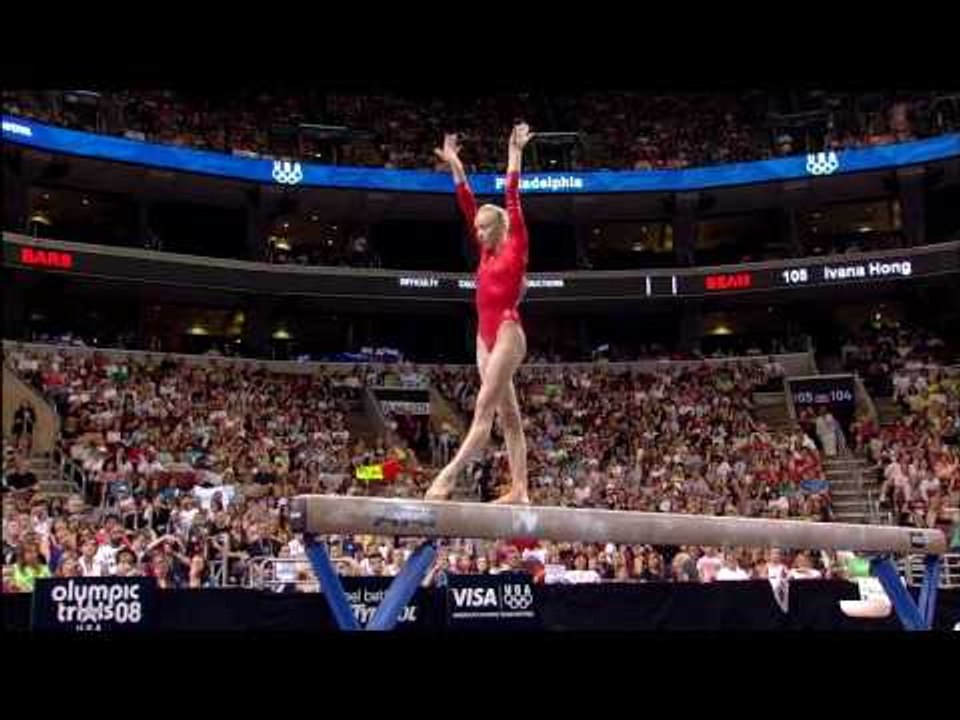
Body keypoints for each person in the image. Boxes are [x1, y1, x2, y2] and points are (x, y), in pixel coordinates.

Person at [426, 123, 534, 504]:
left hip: (506, 331)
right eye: (476, 229)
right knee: (510, 418)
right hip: (484, 337)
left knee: (483, 412)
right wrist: (455, 161)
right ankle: (520, 490)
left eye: (485, 228)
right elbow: (465, 199)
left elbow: (512, 192)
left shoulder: (515, 244)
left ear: (501, 227)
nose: (479, 234)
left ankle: (447, 476)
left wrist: (515, 150)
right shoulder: (486, 250)